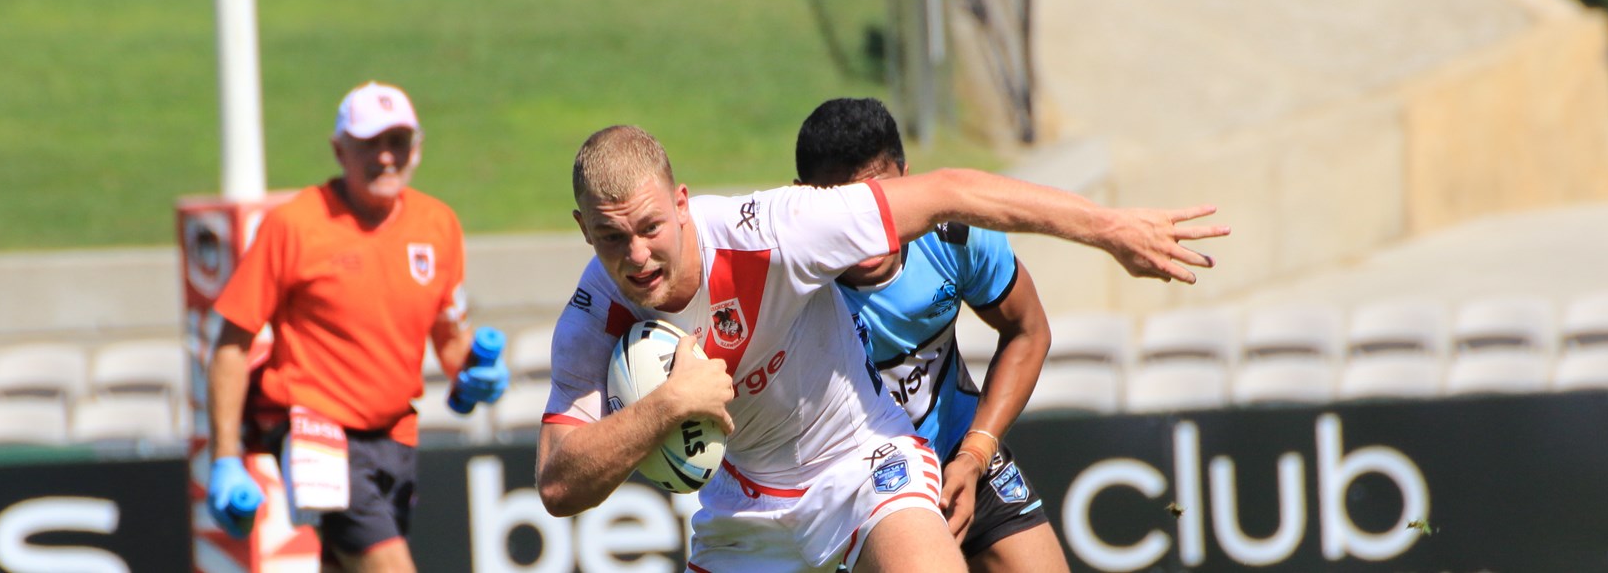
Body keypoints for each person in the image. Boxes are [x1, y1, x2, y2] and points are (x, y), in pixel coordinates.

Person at [537, 125, 1227, 572]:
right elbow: (559, 485)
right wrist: (667, 406)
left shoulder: (774, 230)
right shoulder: (591, 321)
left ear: (682, 202)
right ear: (583, 229)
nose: (636, 255)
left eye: (651, 227)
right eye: (610, 237)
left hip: (863, 465)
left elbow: (951, 190)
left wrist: (1109, 228)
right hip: (742, 513)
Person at [203, 81, 507, 573]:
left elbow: (450, 338)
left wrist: (474, 373)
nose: (386, 157)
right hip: (315, 429)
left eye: (398, 141)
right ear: (339, 150)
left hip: (396, 432)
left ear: (417, 148)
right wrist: (223, 458)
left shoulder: (439, 225)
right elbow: (231, 345)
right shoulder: (294, 225)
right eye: (370, 143)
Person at [794, 98, 1068, 572]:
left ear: (910, 181)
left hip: (957, 455)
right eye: (844, 208)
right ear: (802, 200)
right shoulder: (784, 282)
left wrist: (975, 454)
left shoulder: (955, 236)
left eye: (882, 201)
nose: (866, 227)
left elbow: (1028, 331)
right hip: (855, 488)